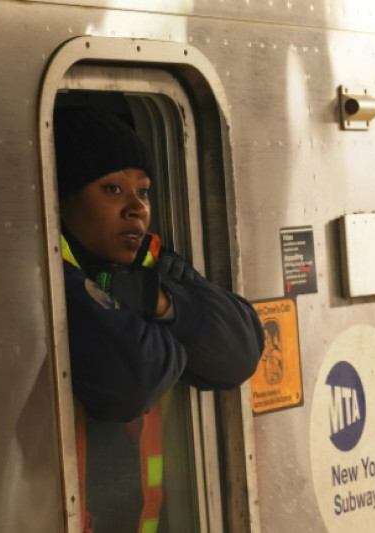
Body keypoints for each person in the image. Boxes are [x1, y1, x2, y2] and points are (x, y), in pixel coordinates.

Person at [54, 106, 264, 533]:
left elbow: (240, 352)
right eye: (112, 189)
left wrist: (160, 302)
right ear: (62, 199)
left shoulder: (154, 269)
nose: (137, 209)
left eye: (144, 192)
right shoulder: (51, 279)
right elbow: (134, 376)